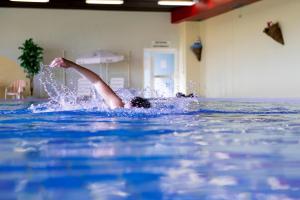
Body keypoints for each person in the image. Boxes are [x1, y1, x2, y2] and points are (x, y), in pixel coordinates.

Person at [49, 57, 151, 109]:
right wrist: (72, 65)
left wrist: (72, 65)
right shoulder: (119, 106)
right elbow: (97, 81)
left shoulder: (119, 107)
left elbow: (97, 81)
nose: (126, 103)